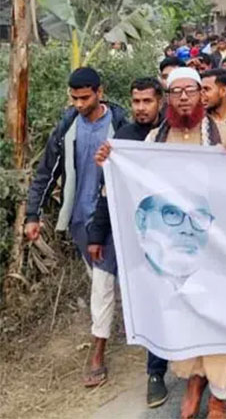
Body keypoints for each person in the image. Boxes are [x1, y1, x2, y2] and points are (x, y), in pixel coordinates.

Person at [141, 67, 226, 419]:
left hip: (217, 245)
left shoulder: (222, 133)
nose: (184, 97)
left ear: (203, 95)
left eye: (191, 90)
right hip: (176, 249)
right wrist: (110, 159)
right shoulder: (154, 140)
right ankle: (195, 382)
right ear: (167, 99)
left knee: (218, 318)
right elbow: (137, 184)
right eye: (176, 92)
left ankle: (219, 396)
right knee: (187, 318)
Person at [24, 68, 128, 388]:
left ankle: (98, 352)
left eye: (85, 97)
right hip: (79, 219)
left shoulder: (120, 125)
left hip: (111, 217)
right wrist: (32, 214)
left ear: (99, 92)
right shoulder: (67, 127)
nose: (79, 104)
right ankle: (123, 320)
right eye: (74, 98)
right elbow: (46, 173)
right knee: (99, 279)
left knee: (102, 281)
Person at [88, 78, 168, 408]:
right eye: (136, 101)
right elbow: (109, 191)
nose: (140, 108)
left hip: (170, 235)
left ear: (160, 102)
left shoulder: (172, 134)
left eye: (147, 101)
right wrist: (97, 234)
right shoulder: (122, 139)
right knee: (147, 300)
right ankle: (155, 373)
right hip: (133, 233)